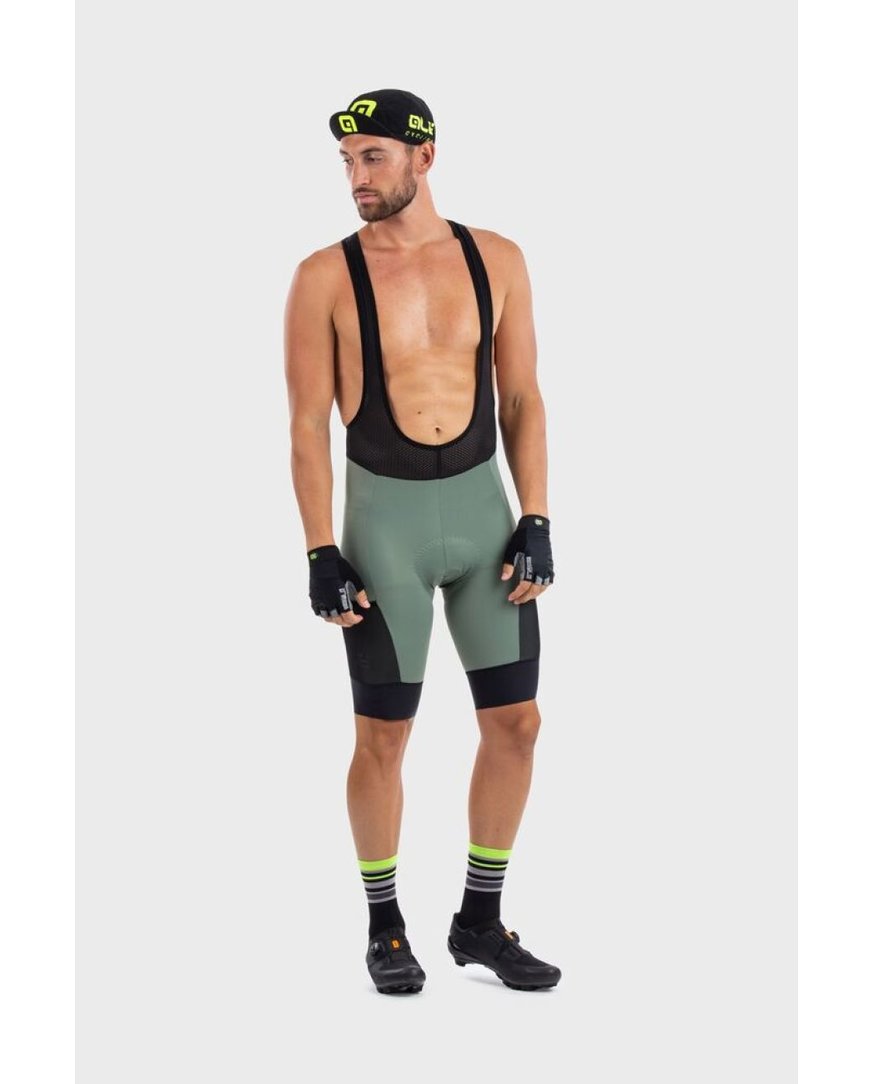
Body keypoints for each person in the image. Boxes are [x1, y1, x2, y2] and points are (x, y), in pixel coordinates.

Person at [283, 88, 561, 994]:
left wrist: (537, 517)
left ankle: (479, 921)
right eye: (347, 162)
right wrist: (320, 550)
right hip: (384, 532)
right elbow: (306, 425)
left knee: (517, 725)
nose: (356, 178)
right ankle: (386, 926)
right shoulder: (325, 275)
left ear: (424, 157)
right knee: (384, 738)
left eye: (373, 158)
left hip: (484, 521)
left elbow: (521, 398)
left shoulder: (498, 258)